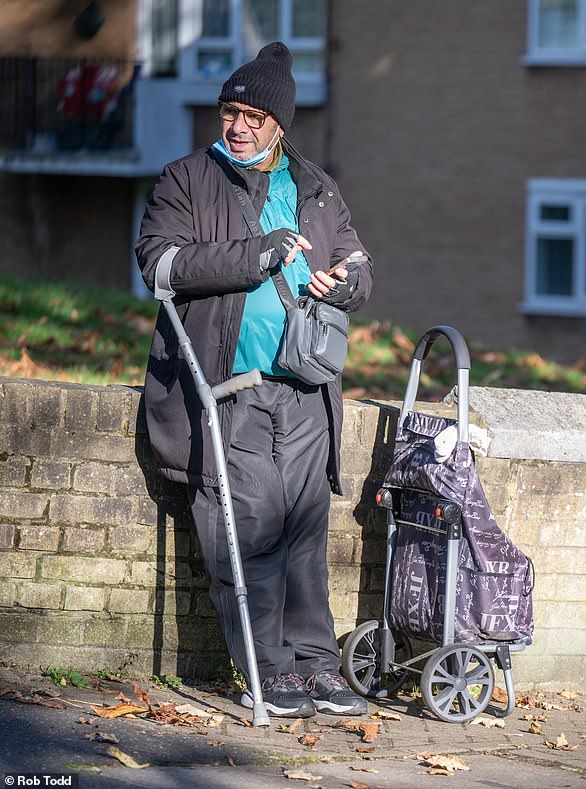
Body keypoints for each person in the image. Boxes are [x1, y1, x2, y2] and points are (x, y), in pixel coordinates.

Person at [136, 41, 373, 718]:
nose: (238, 126)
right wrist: (255, 256)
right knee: (249, 531)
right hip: (226, 391)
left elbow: (359, 257)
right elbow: (157, 266)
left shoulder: (317, 188)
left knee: (303, 534)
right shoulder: (187, 179)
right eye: (229, 112)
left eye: (253, 116)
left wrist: (351, 279)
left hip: (306, 391)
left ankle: (318, 664)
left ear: (280, 125)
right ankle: (268, 671)